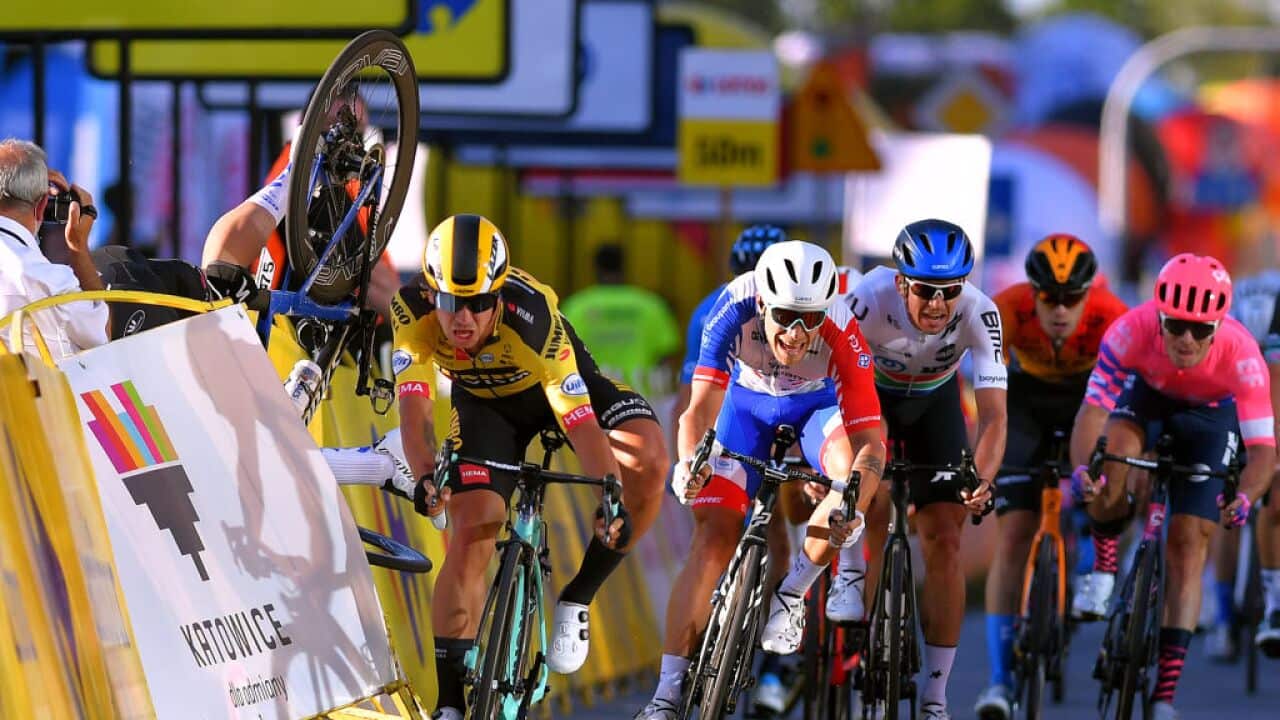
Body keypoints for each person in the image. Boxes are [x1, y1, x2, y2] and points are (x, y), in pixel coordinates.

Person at [393, 214, 669, 720]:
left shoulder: (531, 315)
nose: (465, 319)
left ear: (498, 296)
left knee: (648, 459)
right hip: (485, 408)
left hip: (559, 392)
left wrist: (607, 497)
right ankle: (450, 702)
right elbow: (413, 409)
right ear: (432, 295)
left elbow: (581, 422)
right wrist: (425, 473)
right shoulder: (410, 313)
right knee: (475, 526)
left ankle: (579, 597)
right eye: (453, 303)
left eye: (479, 303)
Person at [633, 240, 886, 720]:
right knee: (712, 538)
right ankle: (666, 693)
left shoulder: (840, 326)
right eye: (786, 316)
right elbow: (699, 406)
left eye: (809, 318)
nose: (796, 333)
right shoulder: (734, 303)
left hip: (817, 409)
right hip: (745, 408)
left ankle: (791, 593)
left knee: (843, 479)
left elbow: (870, 440)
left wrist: (853, 498)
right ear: (764, 303)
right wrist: (689, 462)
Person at [1070, 253, 1276, 719]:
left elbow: (1263, 451)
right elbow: (1092, 414)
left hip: (1211, 416)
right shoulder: (1129, 330)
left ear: (1219, 326)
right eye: (1176, 325)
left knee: (1187, 545)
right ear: (1159, 315)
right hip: (1147, 397)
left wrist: (1244, 496)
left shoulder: (1244, 356)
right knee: (1113, 455)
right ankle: (1104, 566)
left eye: (1201, 330)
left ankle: (1164, 694)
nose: (1186, 339)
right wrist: (1085, 470)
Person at [847, 218, 1006, 720]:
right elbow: (828, 383)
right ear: (901, 282)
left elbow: (996, 417)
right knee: (870, 509)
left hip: (936, 408)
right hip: (871, 400)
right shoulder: (868, 298)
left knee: (945, 537)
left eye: (950, 291)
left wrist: (979, 480)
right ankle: (859, 629)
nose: (938, 304)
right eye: (925, 290)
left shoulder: (980, 313)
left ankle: (936, 695)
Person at [974, 234, 1127, 718]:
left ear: (1089, 294)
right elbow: (985, 391)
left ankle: (1089, 548)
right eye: (1049, 298)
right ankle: (999, 681)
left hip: (1090, 399)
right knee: (1015, 533)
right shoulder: (1005, 310)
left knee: (1102, 484)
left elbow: (1128, 402)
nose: (1060, 310)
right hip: (1024, 401)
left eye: (1072, 299)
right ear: (1032, 291)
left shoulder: (1112, 314)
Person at [1197, 268, 1280, 661]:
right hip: (1231, 396)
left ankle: (1267, 603)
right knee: (1226, 503)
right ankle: (1226, 614)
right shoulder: (1233, 325)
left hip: (1268, 399)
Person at [0, 138, 107, 359]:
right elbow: (107, 337)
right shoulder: (50, 281)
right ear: (41, 207)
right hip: (34, 391)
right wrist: (78, 249)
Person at [560, 243, 681, 398]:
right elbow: (667, 355)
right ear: (624, 266)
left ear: (596, 268)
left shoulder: (577, 306)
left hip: (592, 394)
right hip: (641, 394)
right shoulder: (650, 305)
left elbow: (562, 352)